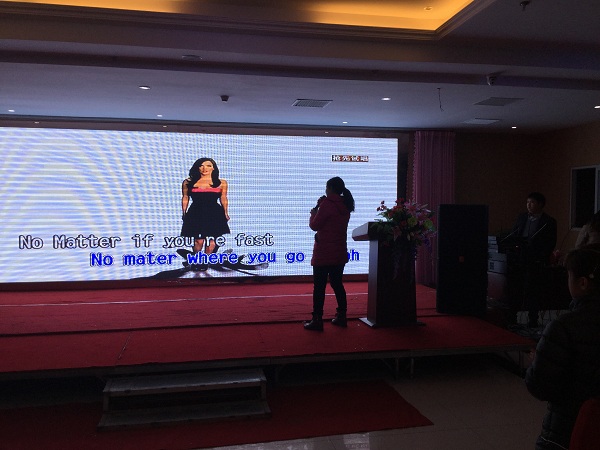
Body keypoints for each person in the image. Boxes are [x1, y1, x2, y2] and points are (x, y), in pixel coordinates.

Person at [525, 243, 600, 450]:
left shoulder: (563, 327)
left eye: (569, 276)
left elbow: (539, 387)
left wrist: (536, 362)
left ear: (582, 283)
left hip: (566, 431)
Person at [304, 177, 355, 331]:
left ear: (331, 188)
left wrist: (314, 213)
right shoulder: (345, 205)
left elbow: (315, 225)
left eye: (327, 187)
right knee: (337, 284)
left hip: (324, 252)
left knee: (319, 287)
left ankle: (317, 319)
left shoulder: (327, 204)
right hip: (339, 252)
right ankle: (342, 316)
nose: (325, 190)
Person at [507, 192, 557, 328]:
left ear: (540, 204)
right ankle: (512, 317)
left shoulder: (549, 221)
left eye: (532, 202)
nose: (529, 205)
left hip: (535, 261)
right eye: (527, 202)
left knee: (533, 291)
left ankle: (533, 319)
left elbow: (551, 242)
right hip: (519, 259)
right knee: (516, 289)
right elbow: (514, 234)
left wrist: (540, 256)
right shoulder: (522, 217)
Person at [180, 158, 230, 270]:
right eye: (201, 166)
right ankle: (196, 260)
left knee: (212, 240)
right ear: (197, 167)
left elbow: (223, 198)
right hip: (196, 212)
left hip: (214, 213)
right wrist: (184, 212)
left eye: (208, 166)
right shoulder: (188, 182)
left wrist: (226, 213)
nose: (204, 168)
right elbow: (185, 197)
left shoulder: (221, 183)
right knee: (198, 240)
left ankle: (205, 261)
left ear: (213, 168)